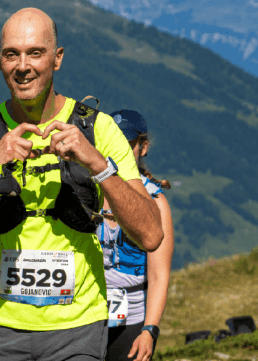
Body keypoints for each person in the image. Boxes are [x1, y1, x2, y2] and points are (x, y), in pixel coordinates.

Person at [0, 7, 164, 361]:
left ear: (56, 59)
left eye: (35, 53)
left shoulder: (99, 130)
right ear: (0, 60)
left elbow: (151, 235)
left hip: (78, 327)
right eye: (12, 54)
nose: (23, 66)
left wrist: (97, 164)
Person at [99, 110, 174, 361]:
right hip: (82, 319)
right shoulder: (87, 193)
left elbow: (158, 274)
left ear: (143, 148)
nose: (117, 151)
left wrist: (149, 330)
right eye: (111, 142)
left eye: (126, 144)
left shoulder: (156, 202)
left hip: (131, 320)